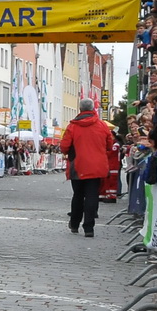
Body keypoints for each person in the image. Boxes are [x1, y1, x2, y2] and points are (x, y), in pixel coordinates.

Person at [59, 98, 113, 237]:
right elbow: (109, 145)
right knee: (92, 195)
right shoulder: (102, 125)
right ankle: (89, 228)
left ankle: (75, 224)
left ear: (80, 109)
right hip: (97, 166)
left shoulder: (73, 126)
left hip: (78, 165)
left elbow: (64, 146)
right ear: (93, 109)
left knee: (78, 195)